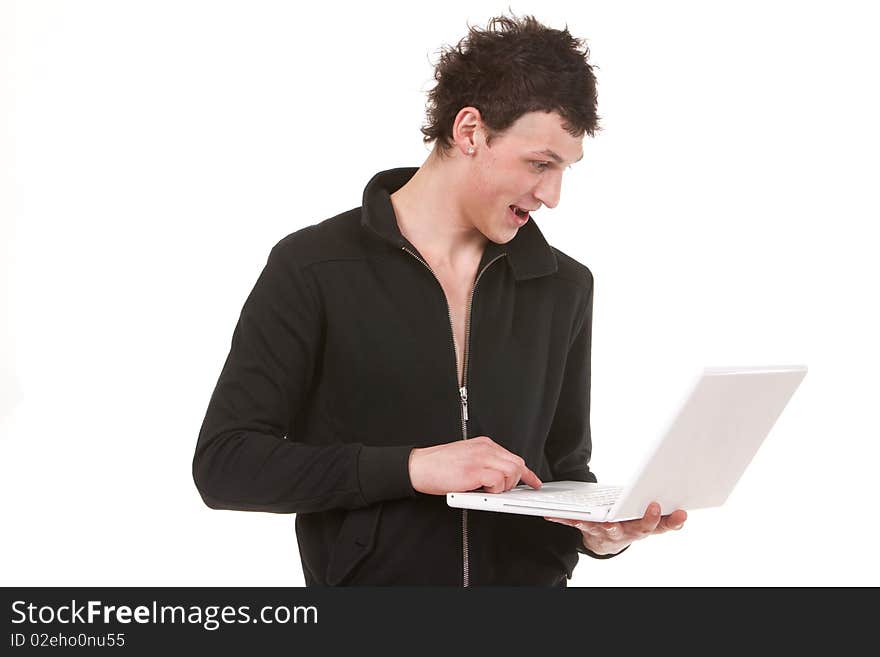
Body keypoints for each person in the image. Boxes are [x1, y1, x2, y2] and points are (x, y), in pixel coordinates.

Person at [192, 12, 686, 587]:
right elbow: (226, 464)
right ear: (470, 130)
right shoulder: (313, 267)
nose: (552, 195)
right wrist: (411, 467)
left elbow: (562, 468)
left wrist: (597, 531)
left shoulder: (562, 285)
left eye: (564, 170)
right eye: (539, 164)